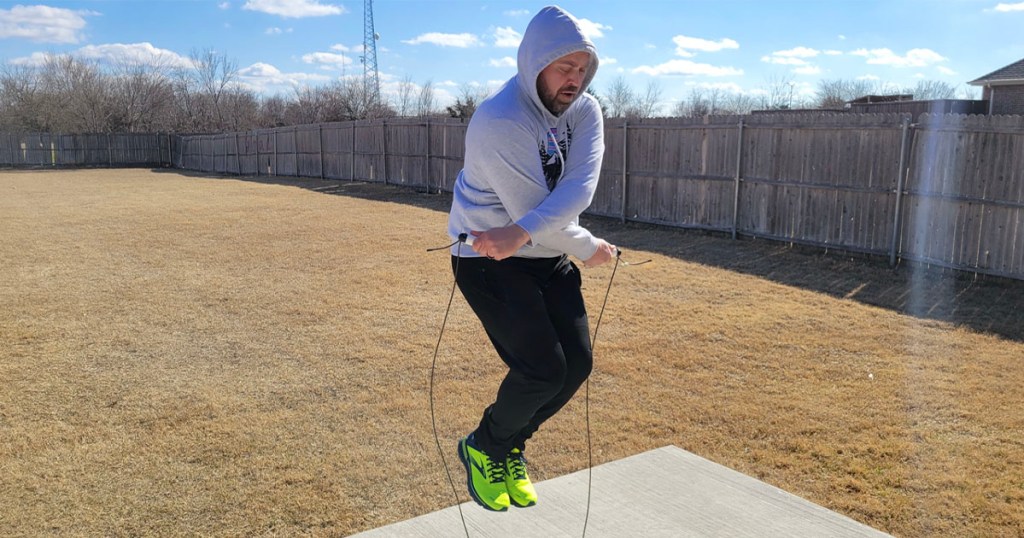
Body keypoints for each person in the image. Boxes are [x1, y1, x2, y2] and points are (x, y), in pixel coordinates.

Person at [446, 5, 616, 512]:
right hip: (486, 256)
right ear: (533, 62)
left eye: (583, 68)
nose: (575, 79)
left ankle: (506, 445)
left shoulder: (586, 110)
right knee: (542, 369)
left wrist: (530, 234)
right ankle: (484, 446)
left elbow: (576, 193)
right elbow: (532, 211)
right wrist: (586, 247)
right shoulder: (500, 119)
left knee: (578, 365)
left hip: (542, 250)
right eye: (564, 67)